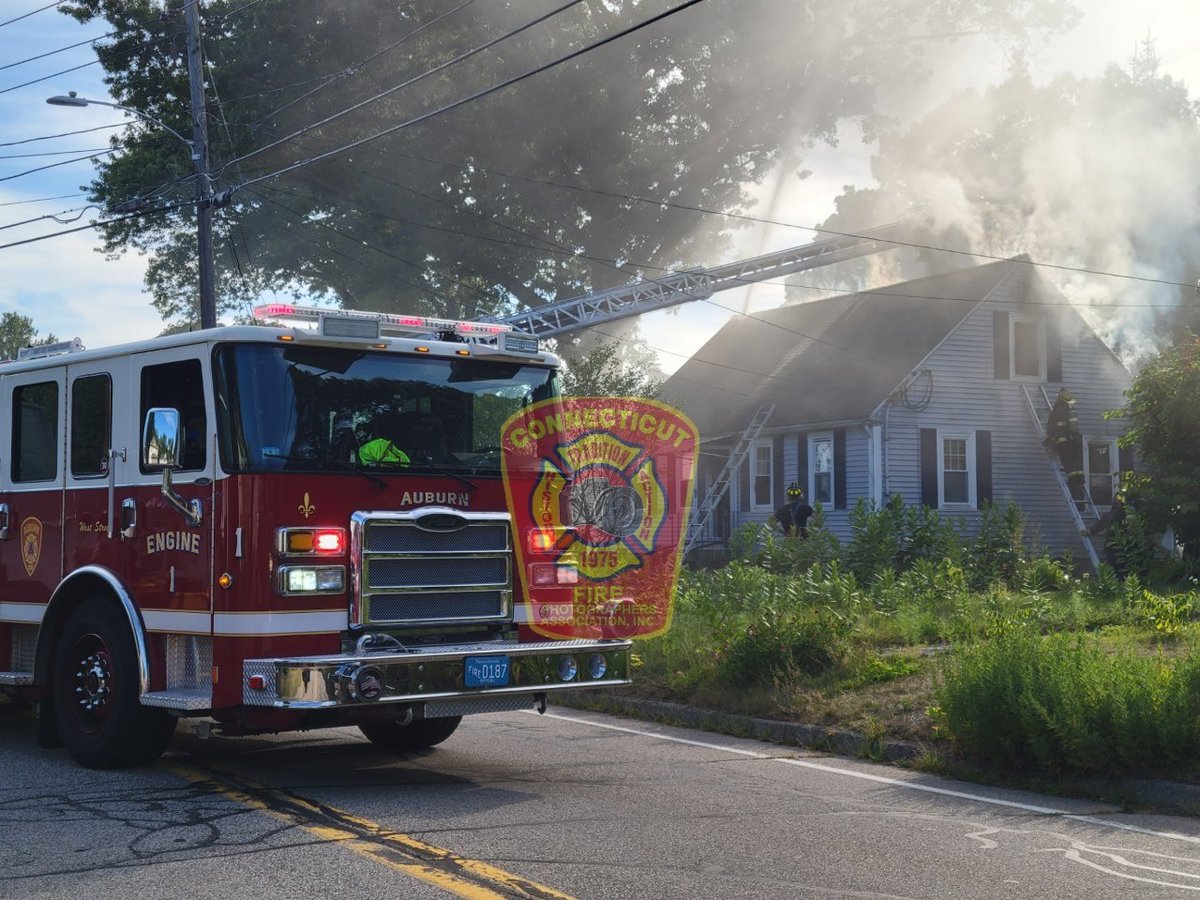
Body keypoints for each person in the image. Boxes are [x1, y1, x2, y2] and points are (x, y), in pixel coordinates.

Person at [1045, 388, 1084, 503]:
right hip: (1074, 440)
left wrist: (1050, 439)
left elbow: (1051, 426)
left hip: (1062, 441)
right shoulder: (1071, 409)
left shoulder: (1056, 410)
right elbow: (1074, 426)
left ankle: (1072, 480)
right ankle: (1080, 479)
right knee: (1076, 460)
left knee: (1067, 460)